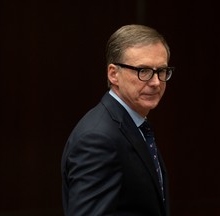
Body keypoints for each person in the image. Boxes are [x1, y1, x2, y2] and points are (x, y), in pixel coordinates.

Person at [61, 24, 174, 216]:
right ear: (113, 74)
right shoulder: (97, 139)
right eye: (143, 71)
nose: (155, 82)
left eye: (161, 71)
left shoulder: (135, 125)